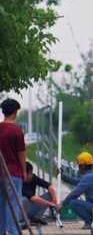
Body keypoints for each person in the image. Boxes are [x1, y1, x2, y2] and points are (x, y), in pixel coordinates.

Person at [60, 151, 93, 229]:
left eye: (79, 166)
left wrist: (62, 204)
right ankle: (92, 221)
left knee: (73, 202)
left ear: (83, 166)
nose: (78, 168)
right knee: (74, 201)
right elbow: (76, 181)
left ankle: (90, 222)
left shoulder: (88, 177)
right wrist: (63, 176)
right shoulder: (92, 175)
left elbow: (75, 193)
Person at [0, 98, 26, 235]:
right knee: (13, 206)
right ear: (15, 112)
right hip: (13, 174)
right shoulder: (16, 130)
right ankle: (14, 232)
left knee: (1, 206)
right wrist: (24, 171)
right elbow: (21, 153)